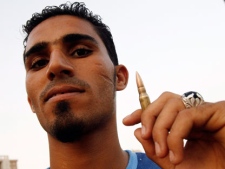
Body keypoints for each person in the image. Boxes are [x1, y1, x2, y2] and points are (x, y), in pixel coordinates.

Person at [22, 2, 225, 169]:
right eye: (38, 63)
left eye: (80, 51)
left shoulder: (187, 165)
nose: (55, 65)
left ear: (119, 77)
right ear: (31, 101)